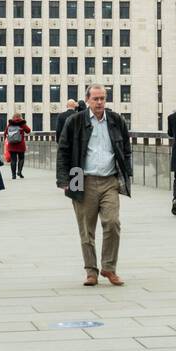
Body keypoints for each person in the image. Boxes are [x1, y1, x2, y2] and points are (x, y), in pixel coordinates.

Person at [56, 85, 132, 286]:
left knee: (113, 223)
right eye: (96, 98)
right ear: (87, 100)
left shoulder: (116, 120)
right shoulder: (75, 121)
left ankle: (109, 268)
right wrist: (65, 181)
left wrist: (127, 172)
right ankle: (91, 271)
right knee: (86, 229)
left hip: (110, 180)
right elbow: (64, 150)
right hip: (82, 178)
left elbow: (126, 148)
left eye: (103, 98)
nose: (99, 102)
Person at [5, 112, 31, 179]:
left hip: (11, 145)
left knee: (13, 160)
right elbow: (28, 131)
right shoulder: (22, 123)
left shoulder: (10, 124)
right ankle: (19, 172)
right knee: (21, 158)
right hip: (20, 145)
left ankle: (13, 175)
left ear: (13, 117)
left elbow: (5, 133)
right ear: (20, 117)